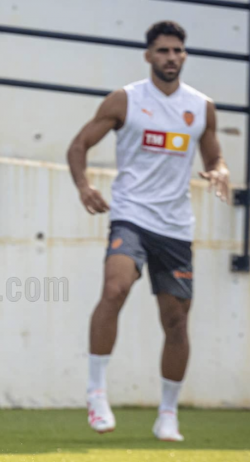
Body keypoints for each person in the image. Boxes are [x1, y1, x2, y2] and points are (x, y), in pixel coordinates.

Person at [67, 20, 229, 441]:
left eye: (178, 50)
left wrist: (219, 172)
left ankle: (168, 413)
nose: (171, 57)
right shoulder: (126, 100)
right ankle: (96, 391)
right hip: (131, 215)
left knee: (176, 321)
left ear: (185, 55)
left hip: (176, 227)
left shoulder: (202, 107)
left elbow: (214, 157)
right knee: (115, 288)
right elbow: (79, 145)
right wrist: (84, 186)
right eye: (163, 50)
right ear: (148, 55)